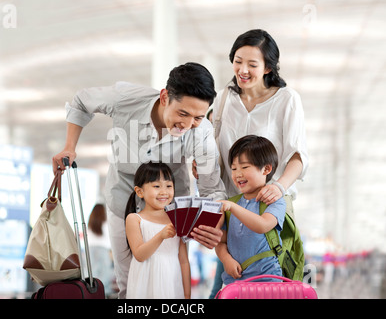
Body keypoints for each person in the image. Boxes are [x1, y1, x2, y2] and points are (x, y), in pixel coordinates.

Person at [52, 62, 227, 298]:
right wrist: (69, 147)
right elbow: (81, 101)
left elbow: (211, 188)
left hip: (171, 209)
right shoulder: (126, 99)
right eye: (182, 113)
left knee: (170, 279)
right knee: (128, 282)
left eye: (196, 117)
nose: (186, 125)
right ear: (165, 97)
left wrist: (214, 227)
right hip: (123, 198)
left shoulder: (202, 132)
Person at [212, 29, 308, 209]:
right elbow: (215, 149)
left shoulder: (287, 99)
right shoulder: (223, 99)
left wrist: (279, 187)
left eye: (252, 64)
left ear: (268, 68)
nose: (243, 70)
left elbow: (297, 154)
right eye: (238, 61)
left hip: (270, 203)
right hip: (231, 204)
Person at [216, 135, 286, 284]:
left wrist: (233, 208)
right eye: (234, 168)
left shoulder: (274, 201)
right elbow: (221, 241)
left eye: (244, 167)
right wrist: (226, 259)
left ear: (266, 169)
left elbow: (263, 225)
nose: (237, 174)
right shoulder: (231, 204)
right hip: (234, 281)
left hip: (267, 279)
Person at [125, 162, 190, 298]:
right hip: (145, 283)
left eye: (168, 186)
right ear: (139, 191)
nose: (164, 192)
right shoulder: (134, 219)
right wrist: (161, 235)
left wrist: (187, 296)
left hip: (172, 281)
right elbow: (140, 255)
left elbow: (183, 260)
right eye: (156, 186)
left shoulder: (179, 219)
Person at [87, 204, 114, 297]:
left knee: (92, 274)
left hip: (90, 251)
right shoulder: (106, 223)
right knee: (104, 276)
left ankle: (92, 294)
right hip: (103, 251)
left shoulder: (90, 223)